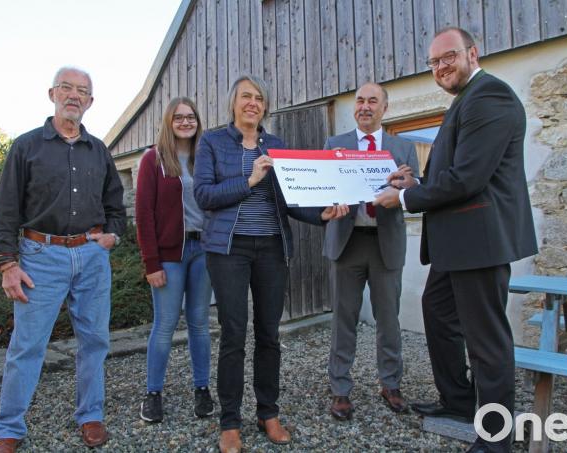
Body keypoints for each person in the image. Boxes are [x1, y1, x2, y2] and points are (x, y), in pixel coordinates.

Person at [374, 27, 538, 453]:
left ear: (472, 53)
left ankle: (495, 437)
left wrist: (406, 196)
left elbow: (468, 179)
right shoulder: (465, 101)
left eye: (448, 57)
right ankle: (460, 401)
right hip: (457, 242)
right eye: (434, 62)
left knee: (487, 341)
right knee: (438, 311)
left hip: (479, 240)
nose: (441, 67)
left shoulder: (490, 97)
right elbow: (457, 174)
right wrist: (418, 179)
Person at [193, 74, 348, 453]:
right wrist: (249, 180)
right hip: (228, 250)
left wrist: (322, 214)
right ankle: (229, 422)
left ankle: (268, 412)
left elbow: (292, 199)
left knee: (269, 334)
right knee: (233, 334)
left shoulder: (276, 145)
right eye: (246, 96)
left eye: (259, 98)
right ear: (233, 103)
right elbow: (203, 195)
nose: (253, 103)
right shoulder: (212, 142)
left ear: (265, 107)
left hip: (271, 249)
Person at [0, 66, 126, 453]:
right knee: (27, 345)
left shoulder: (99, 150)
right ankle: (10, 428)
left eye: (82, 90)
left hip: (91, 256)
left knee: (95, 340)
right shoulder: (26, 147)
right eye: (66, 87)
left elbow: (116, 205)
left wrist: (112, 236)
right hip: (39, 257)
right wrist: (7, 263)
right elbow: (6, 211)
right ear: (52, 94)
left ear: (90, 102)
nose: (74, 95)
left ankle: (90, 414)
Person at [323, 82, 419, 421]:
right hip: (347, 242)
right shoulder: (335, 145)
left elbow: (416, 189)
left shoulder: (403, 147)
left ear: (385, 108)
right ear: (355, 108)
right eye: (360, 101)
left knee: (388, 320)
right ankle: (340, 389)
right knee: (343, 319)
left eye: (372, 101)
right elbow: (325, 188)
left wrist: (409, 186)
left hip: (385, 242)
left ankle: (390, 383)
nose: (365, 106)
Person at [135, 97, 214, 423]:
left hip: (203, 251)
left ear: (197, 121)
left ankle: (202, 388)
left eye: (190, 116)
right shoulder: (153, 159)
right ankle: (153, 393)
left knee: (199, 324)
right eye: (178, 117)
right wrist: (151, 263)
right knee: (165, 326)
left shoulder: (205, 158)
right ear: (169, 122)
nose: (185, 122)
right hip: (170, 255)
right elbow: (143, 214)